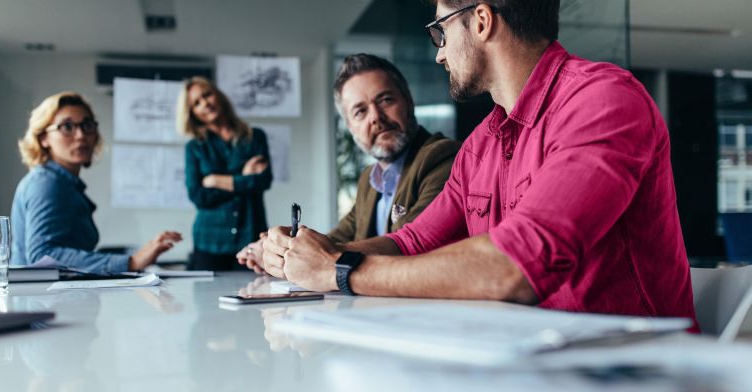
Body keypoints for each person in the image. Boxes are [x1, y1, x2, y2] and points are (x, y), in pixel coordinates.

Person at [261, 0, 696, 321]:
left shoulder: (603, 100)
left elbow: (515, 268)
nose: (439, 53)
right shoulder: (480, 145)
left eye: (441, 32)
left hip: (633, 384)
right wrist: (309, 254)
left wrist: (340, 271)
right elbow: (412, 242)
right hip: (532, 367)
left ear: (482, 21)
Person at [236, 54, 460, 272]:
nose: (375, 117)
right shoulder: (369, 179)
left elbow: (412, 242)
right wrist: (279, 248)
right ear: (350, 127)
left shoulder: (441, 157)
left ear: (409, 101)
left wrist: (301, 255)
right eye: (360, 111)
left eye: (386, 100)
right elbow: (336, 238)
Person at [11, 91, 182, 272]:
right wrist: (130, 262)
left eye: (87, 125)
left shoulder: (65, 185)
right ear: (43, 138)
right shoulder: (46, 184)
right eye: (67, 126)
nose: (81, 135)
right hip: (38, 298)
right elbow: (41, 255)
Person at [178, 77, 272, 271]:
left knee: (254, 295)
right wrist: (243, 177)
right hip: (209, 241)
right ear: (192, 113)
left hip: (250, 236)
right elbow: (198, 195)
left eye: (207, 95)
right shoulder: (195, 147)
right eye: (196, 103)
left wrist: (215, 180)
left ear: (218, 96)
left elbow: (263, 181)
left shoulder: (255, 137)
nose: (205, 103)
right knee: (204, 301)